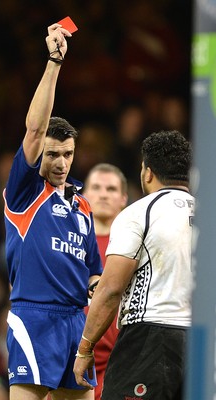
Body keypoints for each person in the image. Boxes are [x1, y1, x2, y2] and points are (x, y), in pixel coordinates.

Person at [3, 22, 103, 400]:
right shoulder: (24, 192)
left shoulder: (83, 205)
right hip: (34, 317)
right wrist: (54, 62)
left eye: (68, 154)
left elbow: (92, 270)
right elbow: (33, 131)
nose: (61, 163)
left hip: (77, 323)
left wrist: (104, 289)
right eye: (52, 154)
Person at [74, 130, 194, 400]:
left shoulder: (140, 213)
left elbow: (111, 290)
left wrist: (85, 349)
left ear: (148, 172)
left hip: (150, 340)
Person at [83, 163, 128, 400]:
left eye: (111, 189)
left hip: (120, 359)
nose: (102, 194)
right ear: (85, 195)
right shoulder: (69, 242)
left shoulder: (134, 246)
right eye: (96, 187)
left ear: (123, 198)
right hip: (73, 357)